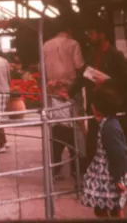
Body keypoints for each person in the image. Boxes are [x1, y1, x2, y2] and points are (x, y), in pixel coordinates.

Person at [80, 83, 127, 219]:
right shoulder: (107, 123)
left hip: (111, 176)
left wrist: (118, 179)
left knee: (115, 209)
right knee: (103, 209)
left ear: (99, 107)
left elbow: (118, 154)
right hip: (105, 175)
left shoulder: (110, 128)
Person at [43, 17, 85, 180]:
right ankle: (76, 167)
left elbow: (43, 69)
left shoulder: (46, 45)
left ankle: (56, 167)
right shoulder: (73, 44)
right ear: (70, 29)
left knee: (55, 128)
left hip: (52, 91)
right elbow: (79, 66)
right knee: (74, 130)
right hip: (70, 91)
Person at [83, 21, 127, 165]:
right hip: (95, 102)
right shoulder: (91, 53)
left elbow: (125, 78)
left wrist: (106, 82)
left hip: (109, 103)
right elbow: (83, 75)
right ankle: (92, 167)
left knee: (108, 136)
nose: (89, 37)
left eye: (92, 33)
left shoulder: (115, 54)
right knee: (92, 138)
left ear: (102, 35)